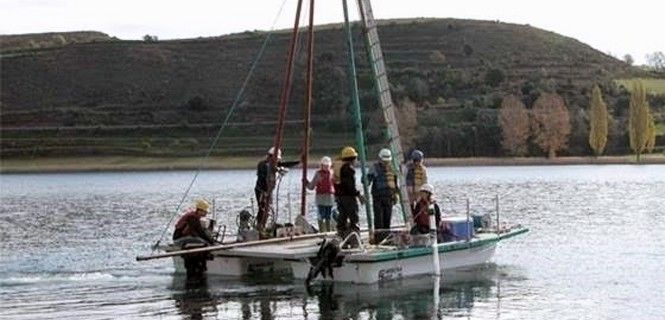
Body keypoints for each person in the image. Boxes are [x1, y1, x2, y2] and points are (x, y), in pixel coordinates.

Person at [366, 148, 398, 243]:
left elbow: (395, 183)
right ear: (380, 159)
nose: (386, 163)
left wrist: (396, 194)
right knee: (379, 220)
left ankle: (387, 239)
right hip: (378, 197)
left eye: (387, 161)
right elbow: (368, 180)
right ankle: (378, 239)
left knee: (387, 219)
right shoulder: (374, 168)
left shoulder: (392, 168)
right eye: (384, 161)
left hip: (389, 197)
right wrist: (366, 180)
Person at [334, 146, 365, 243]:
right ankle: (355, 239)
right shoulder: (349, 170)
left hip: (339, 197)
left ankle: (341, 236)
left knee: (342, 216)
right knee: (353, 217)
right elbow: (350, 186)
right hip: (348, 198)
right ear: (352, 159)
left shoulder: (339, 168)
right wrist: (358, 194)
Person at [306, 156, 335, 232]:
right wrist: (306, 183)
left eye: (327, 165)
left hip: (329, 198)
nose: (326, 167)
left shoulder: (330, 173)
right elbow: (312, 186)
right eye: (325, 165)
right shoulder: (320, 174)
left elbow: (311, 186)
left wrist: (306, 183)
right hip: (322, 198)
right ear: (322, 165)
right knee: (323, 215)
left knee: (327, 216)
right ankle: (323, 232)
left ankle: (327, 232)